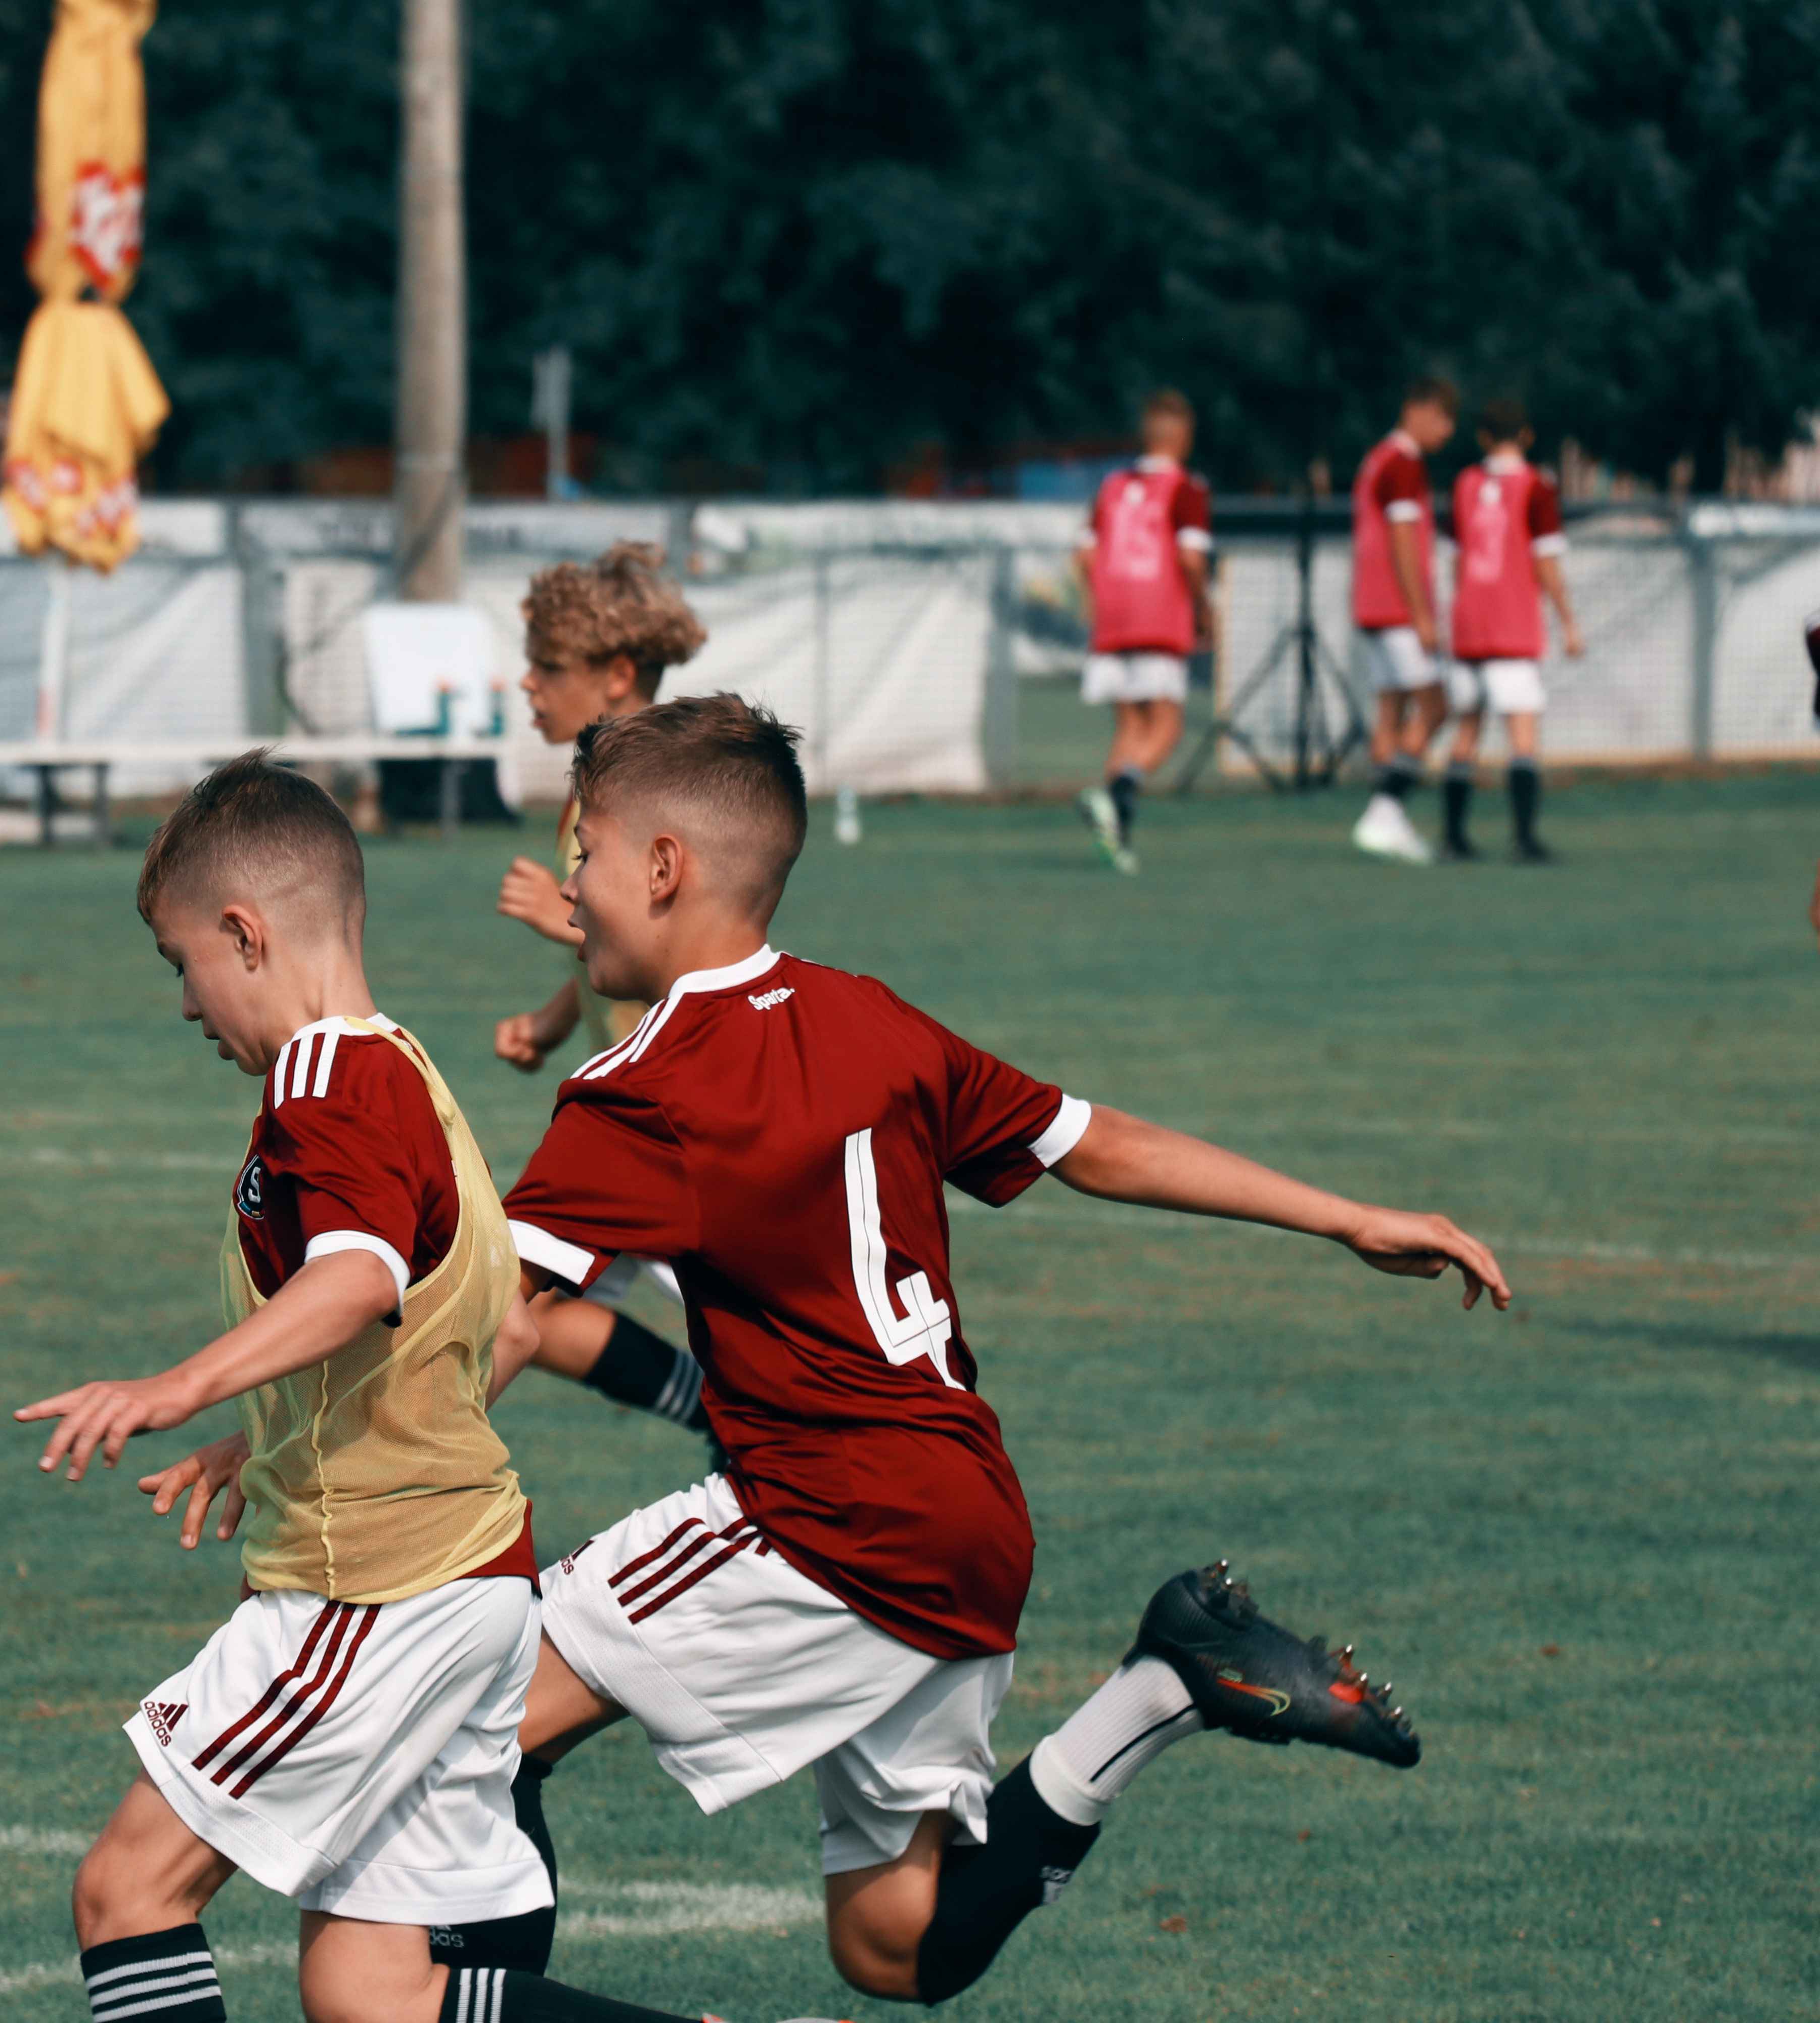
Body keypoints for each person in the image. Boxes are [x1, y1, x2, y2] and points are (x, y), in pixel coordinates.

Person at [479, 694, 1508, 2007]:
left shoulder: (645, 1085)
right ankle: (1163, 1683)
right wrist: (1347, 1215)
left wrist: (329, 1469)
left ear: (664, 868)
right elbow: (1099, 1143)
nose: (572, 889)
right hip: (966, 1521)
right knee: (897, 1949)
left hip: (825, 1518)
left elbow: (501, 1320)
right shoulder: (873, 1022)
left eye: (586, 857)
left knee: (472, 1715)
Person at [16, 755, 720, 2023]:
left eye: (184, 962)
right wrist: (263, 1431)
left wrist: (177, 1385)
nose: (186, 1004)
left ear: (247, 931)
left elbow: (354, 1278)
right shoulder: (404, 1072)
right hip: (468, 1576)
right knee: (374, 1992)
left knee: (129, 1892)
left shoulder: (324, 1082)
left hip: (376, 1590)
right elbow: (436, 1313)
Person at [489, 543, 715, 1447]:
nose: (527, 684)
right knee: (513, 1304)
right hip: (631, 1101)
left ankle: (752, 1419)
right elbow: (614, 965)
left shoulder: (649, 794)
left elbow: (690, 951)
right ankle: (727, 1415)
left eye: (548, 667)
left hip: (674, 1113)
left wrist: (561, 918)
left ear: (618, 675)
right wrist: (550, 1024)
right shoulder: (598, 788)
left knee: (499, 1300)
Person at [1072, 389, 1214, 874]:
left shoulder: (1111, 486)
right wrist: (1204, 610)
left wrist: (1099, 603)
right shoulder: (1186, 488)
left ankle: (1118, 836)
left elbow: (1085, 555)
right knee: (1168, 726)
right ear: (1183, 436)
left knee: (1131, 724)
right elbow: (1191, 559)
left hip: (1113, 615)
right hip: (1158, 614)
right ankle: (1122, 791)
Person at [1440, 400, 1580, 863]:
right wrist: (1568, 621)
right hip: (1512, 627)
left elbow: (1459, 557)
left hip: (1467, 627)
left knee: (1466, 732)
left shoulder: (1464, 484)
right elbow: (1546, 562)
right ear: (1527, 437)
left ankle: (1454, 837)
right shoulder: (1537, 488)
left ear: (1482, 438)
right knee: (1522, 735)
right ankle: (1524, 838)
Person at [1349, 378, 1459, 863]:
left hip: (1370, 605)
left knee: (1390, 713)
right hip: (1396, 608)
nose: (1448, 431)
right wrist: (1422, 614)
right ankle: (1384, 812)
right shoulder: (1404, 463)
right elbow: (1402, 540)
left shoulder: (1376, 459)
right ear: (1415, 410)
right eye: (1443, 418)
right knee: (1436, 707)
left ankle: (1389, 822)